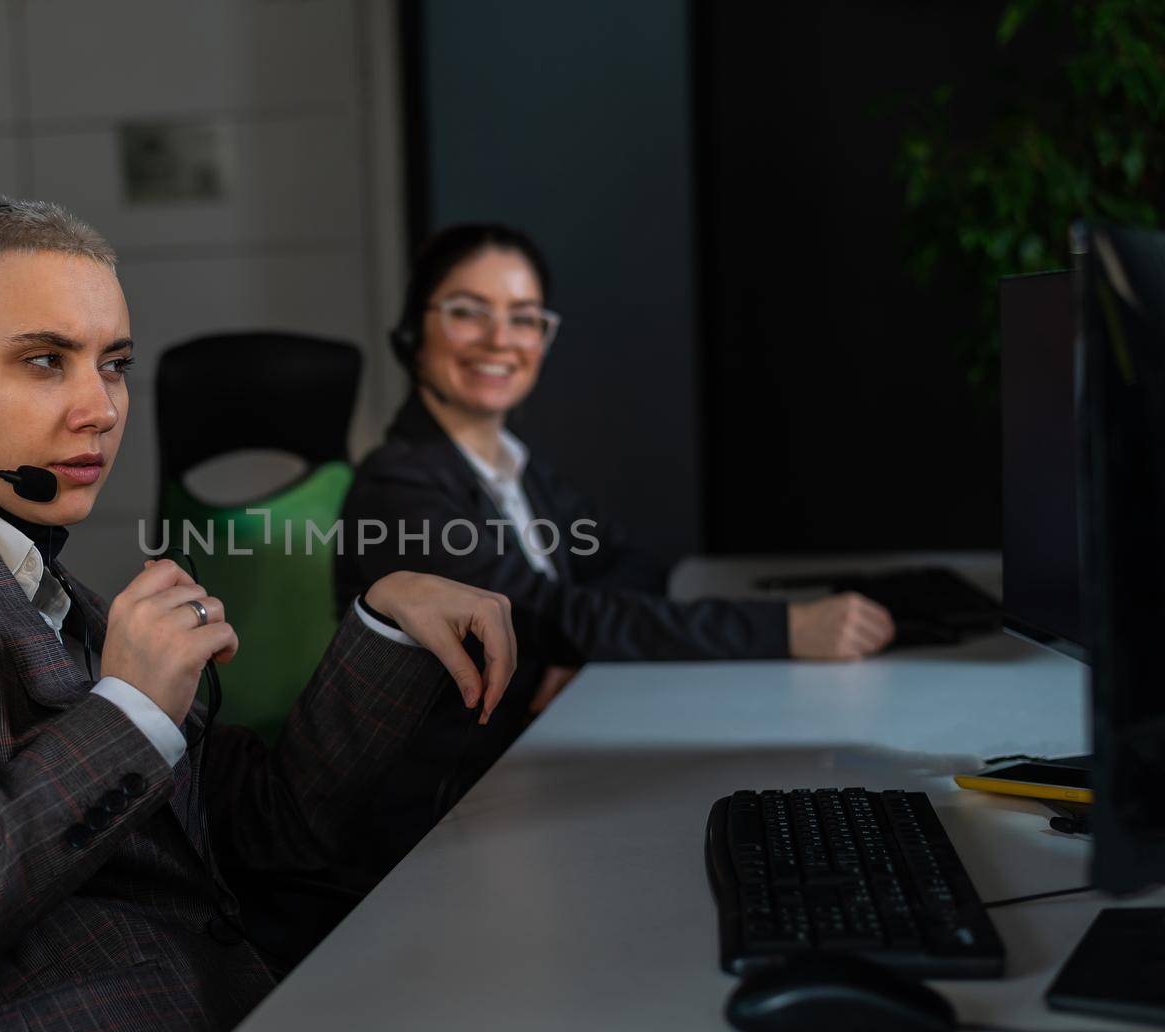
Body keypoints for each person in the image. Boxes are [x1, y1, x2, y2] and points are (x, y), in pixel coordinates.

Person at [0, 196, 517, 1032]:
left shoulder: (26, 567)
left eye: (114, 364)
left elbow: (260, 828)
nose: (99, 408)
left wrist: (385, 622)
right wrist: (128, 711)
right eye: (44, 361)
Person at [327, 223, 895, 888]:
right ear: (411, 333)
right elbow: (551, 612)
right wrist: (786, 629)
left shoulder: (515, 471)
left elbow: (631, 569)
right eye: (466, 312)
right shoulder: (396, 487)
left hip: (537, 768)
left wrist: (561, 643)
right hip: (439, 822)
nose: (499, 339)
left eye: (524, 318)